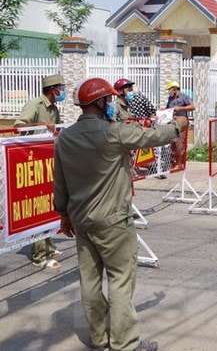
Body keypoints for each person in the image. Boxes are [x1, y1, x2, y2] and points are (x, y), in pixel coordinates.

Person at [54, 77, 188, 351]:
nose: (114, 104)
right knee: (120, 280)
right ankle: (125, 344)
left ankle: (99, 337)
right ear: (100, 102)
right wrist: (178, 126)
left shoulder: (65, 138)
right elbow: (152, 136)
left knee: (89, 282)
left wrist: (63, 214)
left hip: (81, 220)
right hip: (113, 221)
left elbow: (60, 181)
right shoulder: (112, 133)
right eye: (110, 100)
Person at [14, 73, 66, 270]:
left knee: (49, 205)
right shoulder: (35, 105)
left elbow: (56, 131)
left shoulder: (54, 108)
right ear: (52, 90)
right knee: (38, 207)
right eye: (60, 88)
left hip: (49, 162)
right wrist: (40, 125)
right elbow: (18, 127)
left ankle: (49, 246)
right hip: (33, 163)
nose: (62, 92)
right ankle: (39, 256)